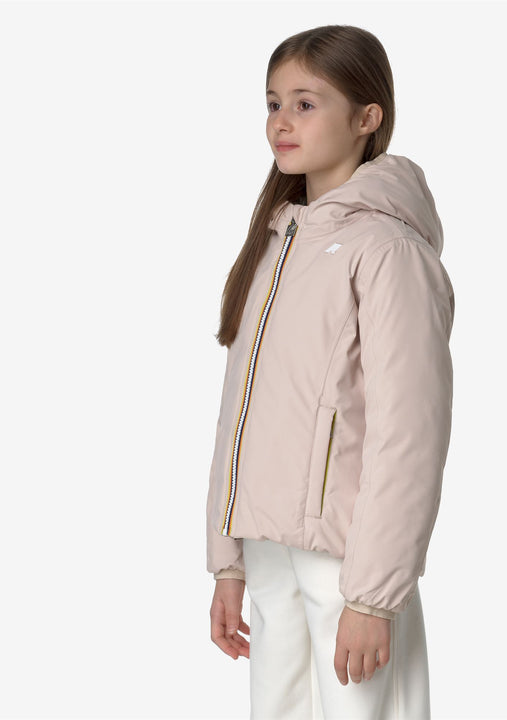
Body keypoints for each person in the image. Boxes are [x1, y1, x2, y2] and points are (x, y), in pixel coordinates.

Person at [206, 24, 455, 720]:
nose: (281, 121)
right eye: (273, 103)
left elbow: (410, 432)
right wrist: (228, 560)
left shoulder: (387, 251)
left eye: (306, 103)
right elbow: (238, 414)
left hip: (348, 564)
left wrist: (373, 597)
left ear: (367, 117)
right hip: (268, 552)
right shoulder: (276, 244)